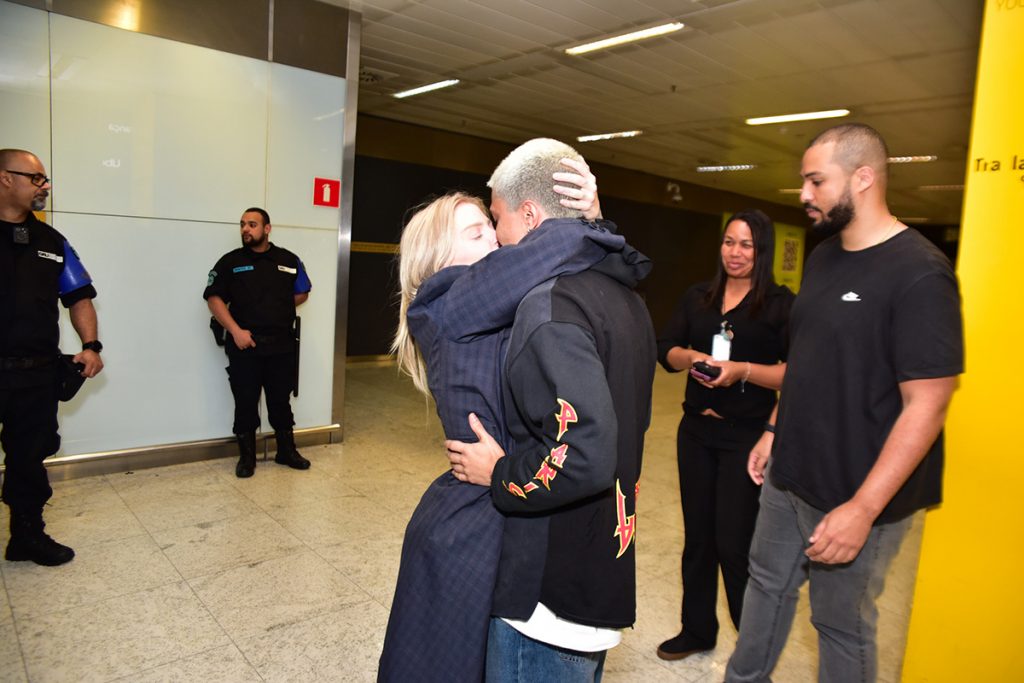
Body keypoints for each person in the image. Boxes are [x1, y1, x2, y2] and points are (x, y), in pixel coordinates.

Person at [725, 123, 963, 683]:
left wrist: (862, 509)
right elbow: (807, 359)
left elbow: (928, 404)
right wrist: (774, 431)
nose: (804, 194)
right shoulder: (825, 257)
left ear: (863, 177)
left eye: (815, 180)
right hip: (791, 474)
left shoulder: (921, 274)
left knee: (840, 622)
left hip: (859, 491)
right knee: (765, 586)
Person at [378, 156, 623, 683]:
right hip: (468, 523)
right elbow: (556, 246)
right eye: (475, 232)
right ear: (437, 258)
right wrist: (590, 219)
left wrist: (593, 221)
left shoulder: (495, 300)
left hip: (499, 501)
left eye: (491, 226)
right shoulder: (445, 300)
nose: (494, 239)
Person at [446, 138, 657, 683]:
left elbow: (582, 451)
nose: (495, 236)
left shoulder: (549, 307)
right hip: (599, 560)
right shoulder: (624, 296)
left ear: (532, 214)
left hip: (549, 595)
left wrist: (498, 473)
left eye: (497, 218)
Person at [655, 209, 794, 661]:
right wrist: (691, 356)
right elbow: (666, 349)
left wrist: (743, 372)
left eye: (747, 245)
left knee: (734, 543)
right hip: (696, 432)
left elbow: (795, 374)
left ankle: (750, 648)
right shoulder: (699, 297)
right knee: (698, 538)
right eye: (729, 242)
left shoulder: (779, 304)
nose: (735, 253)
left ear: (763, 251)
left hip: (746, 437)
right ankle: (697, 630)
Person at [0, 149, 104, 566]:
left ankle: (25, 535)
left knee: (28, 458)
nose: (45, 186)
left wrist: (92, 346)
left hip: (34, 375)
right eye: (37, 178)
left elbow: (79, 296)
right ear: (6, 178)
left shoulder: (52, 241)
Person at [203, 207, 311, 478]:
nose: (245, 230)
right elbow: (213, 299)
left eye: (252, 224)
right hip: (245, 347)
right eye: (242, 225)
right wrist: (236, 330)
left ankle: (286, 451)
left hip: (281, 346)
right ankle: (247, 458)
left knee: (280, 402)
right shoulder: (230, 262)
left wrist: (277, 308)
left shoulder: (289, 259)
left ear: (267, 228)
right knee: (245, 401)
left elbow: (303, 292)